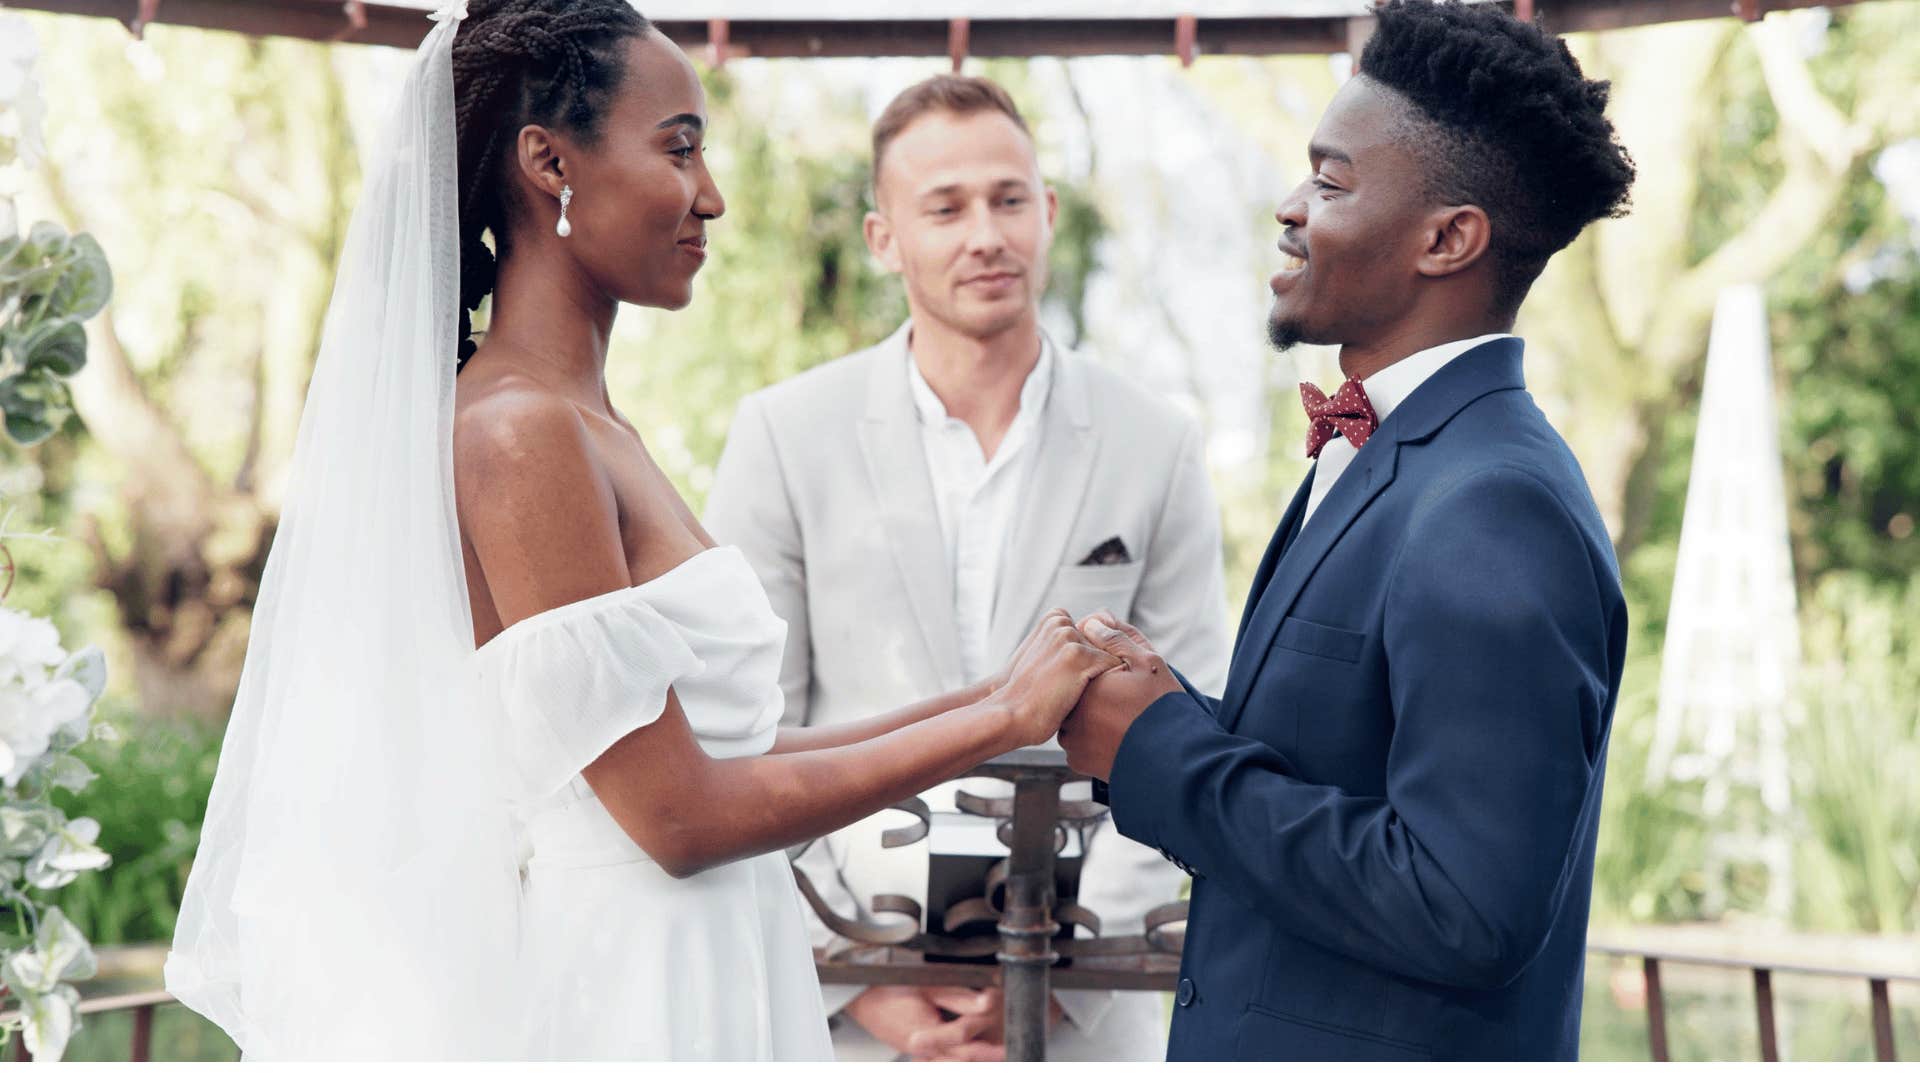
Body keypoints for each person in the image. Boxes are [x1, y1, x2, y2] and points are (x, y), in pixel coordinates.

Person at [166, 0, 1117, 1060]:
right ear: (550, 163)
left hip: (713, 945)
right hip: (633, 987)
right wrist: (993, 729)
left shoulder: (591, 423)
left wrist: (1000, 697)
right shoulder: (521, 434)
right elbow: (676, 817)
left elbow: (730, 749)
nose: (710, 195)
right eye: (679, 148)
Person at [1058, 0, 1635, 1061]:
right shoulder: (1390, 454)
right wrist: (1171, 704)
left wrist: (1163, 755)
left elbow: (1463, 906)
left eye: (1329, 182)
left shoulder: (1494, 506)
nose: (1289, 206)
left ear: (1449, 239)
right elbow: (1345, 767)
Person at [705, 75, 1230, 1062]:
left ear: (1049, 213)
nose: (984, 233)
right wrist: (870, 983)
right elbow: (743, 737)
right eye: (943, 208)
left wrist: (1053, 978)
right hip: (848, 1010)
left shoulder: (1154, 442)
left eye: (1008, 198)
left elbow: (1191, 726)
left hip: (1090, 1004)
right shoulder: (783, 436)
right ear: (883, 239)